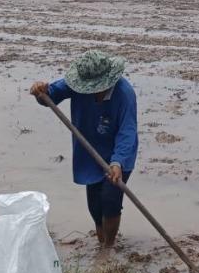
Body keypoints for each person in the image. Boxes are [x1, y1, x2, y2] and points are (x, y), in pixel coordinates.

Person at [30, 50, 138, 253]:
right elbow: (49, 97)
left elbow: (127, 132)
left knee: (110, 199)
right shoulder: (77, 84)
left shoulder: (125, 94)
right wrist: (40, 91)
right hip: (89, 151)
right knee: (95, 204)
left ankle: (108, 247)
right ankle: (101, 239)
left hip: (119, 153)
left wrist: (118, 162)